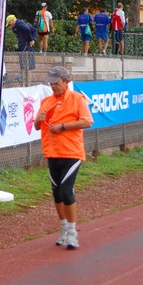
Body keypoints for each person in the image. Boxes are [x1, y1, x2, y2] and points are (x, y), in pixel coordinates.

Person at [33, 66, 93, 250]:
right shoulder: (46, 102)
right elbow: (36, 126)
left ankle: (73, 233)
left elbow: (87, 121)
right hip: (52, 152)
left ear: (66, 82)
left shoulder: (77, 99)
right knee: (57, 193)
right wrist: (38, 120)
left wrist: (63, 127)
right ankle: (64, 228)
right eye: (51, 84)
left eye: (56, 83)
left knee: (67, 191)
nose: (53, 87)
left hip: (71, 153)